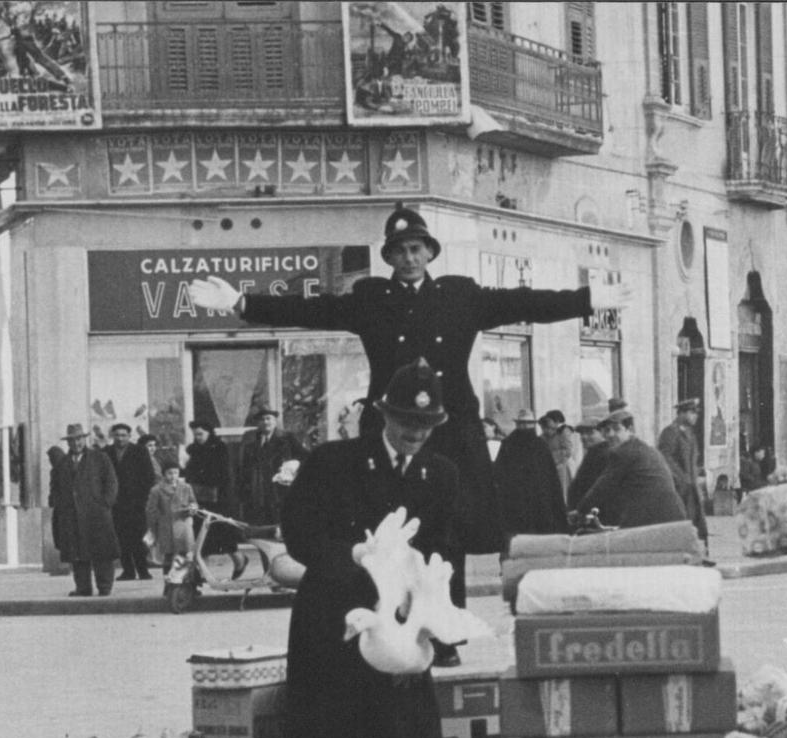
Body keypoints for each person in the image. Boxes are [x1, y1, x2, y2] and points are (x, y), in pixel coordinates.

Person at [187, 205, 631, 664]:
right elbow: (315, 309)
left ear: (430, 252)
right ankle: (390, 631)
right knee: (388, 534)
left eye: (416, 249)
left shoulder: (460, 296)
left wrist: (586, 300)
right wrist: (243, 304)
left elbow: (525, 303)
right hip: (390, 433)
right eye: (399, 251)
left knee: (447, 539)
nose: (409, 258)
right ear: (389, 257)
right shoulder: (371, 300)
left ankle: (444, 638)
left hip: (450, 434)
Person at [279, 360, 459, 738]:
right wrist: (354, 555)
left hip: (400, 635)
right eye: (407, 421)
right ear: (384, 415)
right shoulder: (333, 462)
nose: (416, 433)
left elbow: (443, 554)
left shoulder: (440, 475)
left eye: (426, 424)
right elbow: (300, 534)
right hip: (334, 628)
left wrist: (432, 616)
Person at [570, 408, 689, 530]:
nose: (610, 435)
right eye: (607, 430)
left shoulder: (623, 452)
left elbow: (602, 487)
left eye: (616, 429)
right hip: (673, 516)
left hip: (651, 519)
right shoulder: (647, 449)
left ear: (630, 429)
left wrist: (580, 511)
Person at [51, 423, 119, 596]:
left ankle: (104, 586)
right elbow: (55, 488)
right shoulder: (62, 463)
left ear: (84, 439)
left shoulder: (99, 458)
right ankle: (83, 588)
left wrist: (105, 504)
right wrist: (60, 507)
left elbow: (111, 482)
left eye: (79, 439)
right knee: (77, 554)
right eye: (72, 440)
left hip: (96, 514)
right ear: (67, 442)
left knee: (102, 553)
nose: (76, 443)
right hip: (72, 515)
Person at [494, 408, 568, 555]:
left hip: (537, 502)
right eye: (522, 424)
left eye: (528, 424)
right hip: (516, 503)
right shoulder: (510, 444)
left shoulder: (539, 445)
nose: (525, 427)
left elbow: (550, 477)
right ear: (517, 424)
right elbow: (500, 473)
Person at [182, 420, 244, 574]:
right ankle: (202, 572)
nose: (198, 437)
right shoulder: (194, 450)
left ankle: (239, 560)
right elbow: (190, 473)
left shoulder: (219, 448)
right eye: (195, 435)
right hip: (200, 498)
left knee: (223, 533)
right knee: (202, 535)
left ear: (209, 433)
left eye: (200, 434)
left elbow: (224, 474)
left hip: (220, 500)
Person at [103, 423, 156, 581]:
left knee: (138, 537)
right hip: (116, 504)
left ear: (129, 436)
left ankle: (143, 570)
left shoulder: (139, 451)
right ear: (112, 436)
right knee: (121, 538)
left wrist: (143, 499)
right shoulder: (106, 452)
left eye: (123, 435)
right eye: (117, 435)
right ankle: (128, 571)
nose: (120, 438)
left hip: (136, 503)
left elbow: (149, 476)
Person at [236, 409, 304, 527]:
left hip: (280, 488)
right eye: (262, 419)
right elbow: (245, 467)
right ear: (258, 423)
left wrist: (293, 466)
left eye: (269, 418)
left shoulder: (287, 438)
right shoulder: (251, 441)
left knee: (281, 521)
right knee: (261, 523)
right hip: (259, 490)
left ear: (275, 421)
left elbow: (304, 457)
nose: (265, 422)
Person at [657, 398, 709, 548]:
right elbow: (665, 457)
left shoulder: (689, 434)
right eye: (692, 412)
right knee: (682, 526)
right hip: (679, 490)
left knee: (697, 527)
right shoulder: (670, 432)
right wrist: (682, 479)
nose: (695, 416)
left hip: (692, 490)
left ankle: (700, 554)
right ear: (681, 413)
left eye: (695, 413)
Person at [144, 459, 197, 577]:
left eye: (176, 473)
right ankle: (169, 582)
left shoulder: (186, 487)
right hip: (166, 526)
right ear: (164, 474)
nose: (173, 476)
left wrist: (192, 508)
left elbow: (193, 502)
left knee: (183, 554)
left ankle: (181, 581)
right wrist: (155, 525)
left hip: (183, 525)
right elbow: (150, 510)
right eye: (170, 473)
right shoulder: (157, 490)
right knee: (168, 555)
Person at [537, 409, 581, 499]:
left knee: (562, 491)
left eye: (554, 424)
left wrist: (552, 458)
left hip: (561, 466)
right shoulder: (542, 437)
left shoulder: (563, 432)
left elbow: (568, 451)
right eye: (545, 428)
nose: (548, 430)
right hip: (547, 468)